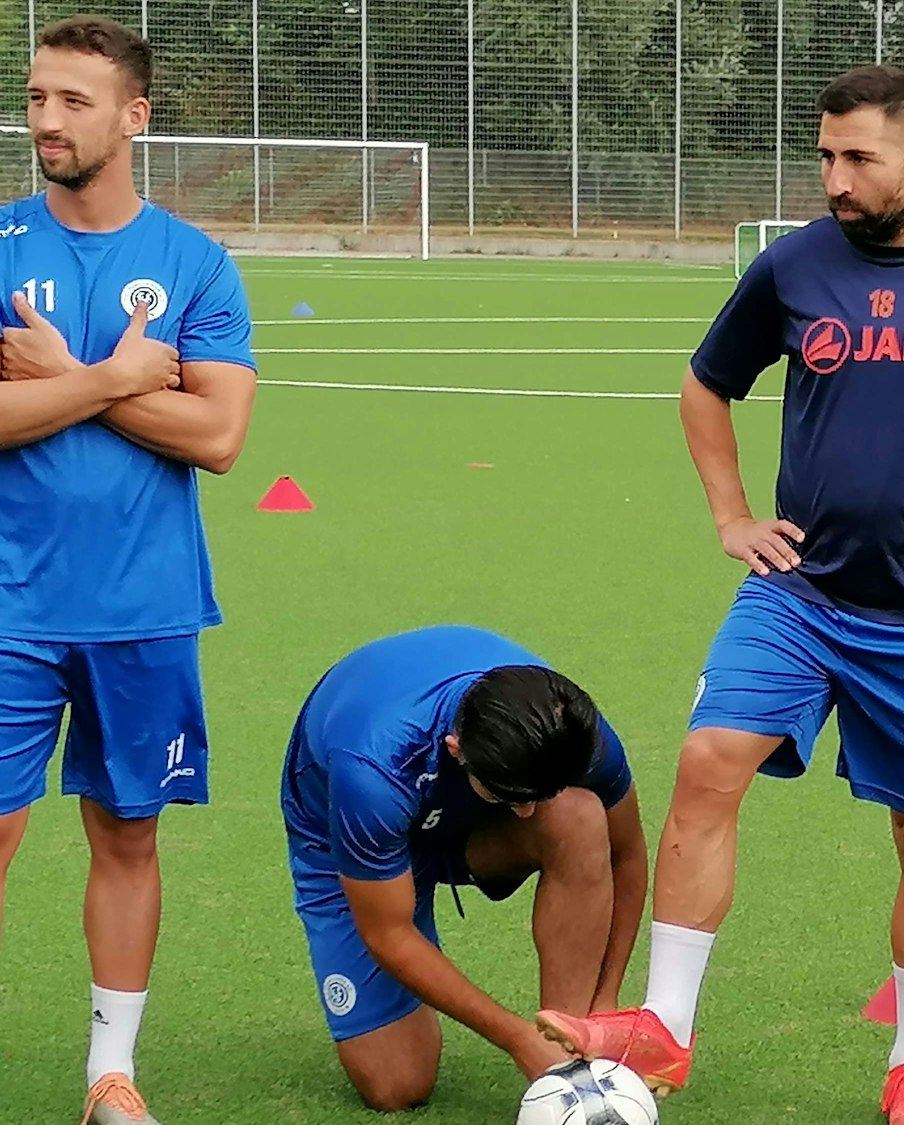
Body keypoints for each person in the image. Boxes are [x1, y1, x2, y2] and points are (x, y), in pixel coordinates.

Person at [536, 64, 904, 1125]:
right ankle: (667, 1028)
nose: (834, 178)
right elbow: (704, 382)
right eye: (824, 155)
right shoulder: (791, 267)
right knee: (706, 760)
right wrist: (730, 512)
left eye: (857, 157)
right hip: (799, 595)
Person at [0, 16, 258, 1125]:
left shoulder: (195, 263)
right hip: (9, 599)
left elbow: (219, 437)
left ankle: (113, 1074)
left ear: (134, 118)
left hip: (145, 606)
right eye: (36, 97)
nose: (45, 120)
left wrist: (62, 380)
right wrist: (106, 377)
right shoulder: (2, 244)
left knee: (128, 831)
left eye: (72, 100)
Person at [281, 625, 649, 1111]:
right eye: (511, 798)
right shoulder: (371, 769)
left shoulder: (573, 733)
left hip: (467, 820)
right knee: (396, 1086)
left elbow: (627, 854)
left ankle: (567, 1044)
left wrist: (606, 1004)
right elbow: (388, 932)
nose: (525, 815)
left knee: (577, 815)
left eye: (536, 797)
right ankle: (539, 1049)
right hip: (347, 835)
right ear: (456, 749)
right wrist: (515, 1037)